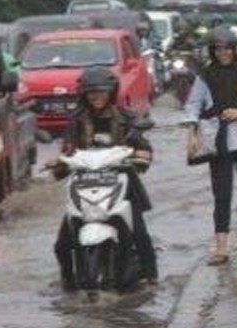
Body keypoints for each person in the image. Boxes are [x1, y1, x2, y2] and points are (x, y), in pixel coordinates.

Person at [49, 66, 158, 288]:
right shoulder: (76, 120)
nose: (96, 97)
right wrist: (60, 160)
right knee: (62, 244)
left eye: (101, 92)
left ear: (111, 92)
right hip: (84, 183)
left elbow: (144, 147)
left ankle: (152, 277)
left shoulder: (126, 117)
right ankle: (68, 283)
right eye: (91, 93)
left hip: (120, 183)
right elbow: (68, 149)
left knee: (139, 233)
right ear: (84, 95)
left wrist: (141, 152)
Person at [182, 25, 237, 263]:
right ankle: (221, 245)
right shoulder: (205, 76)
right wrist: (192, 129)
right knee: (221, 194)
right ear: (212, 51)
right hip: (216, 142)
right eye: (217, 49)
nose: (222, 53)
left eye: (227, 48)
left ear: (235, 49)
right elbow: (193, 104)